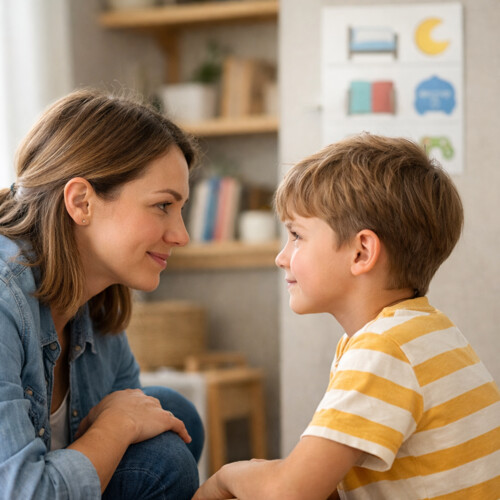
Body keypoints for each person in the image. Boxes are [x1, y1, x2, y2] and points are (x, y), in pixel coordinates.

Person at [193, 133, 500, 499]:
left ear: (361, 252)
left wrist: (223, 478)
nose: (281, 257)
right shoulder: (425, 332)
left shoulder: (383, 350)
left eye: (296, 235)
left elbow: (288, 494)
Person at [0, 88, 204, 499]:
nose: (181, 235)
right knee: (163, 461)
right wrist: (117, 425)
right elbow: (24, 492)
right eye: (163, 205)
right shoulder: (5, 300)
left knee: (171, 412)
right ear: (81, 202)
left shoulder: (96, 301)